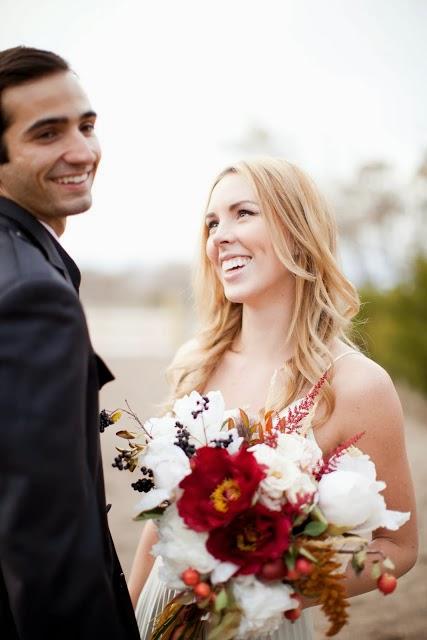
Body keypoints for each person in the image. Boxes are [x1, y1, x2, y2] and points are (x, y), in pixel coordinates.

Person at [128, 157, 418, 639]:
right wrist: (126, 617)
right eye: (212, 223)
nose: (219, 236)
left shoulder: (357, 385)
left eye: (243, 213)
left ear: (297, 229)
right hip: (160, 610)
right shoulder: (197, 363)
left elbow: (399, 547)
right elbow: (162, 522)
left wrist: (278, 589)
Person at [0, 46, 140, 639]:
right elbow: (45, 540)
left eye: (86, 125)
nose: (82, 151)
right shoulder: (32, 296)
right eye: (47, 133)